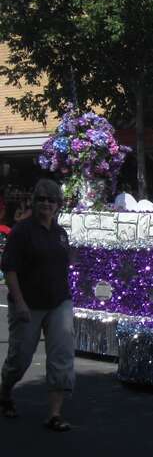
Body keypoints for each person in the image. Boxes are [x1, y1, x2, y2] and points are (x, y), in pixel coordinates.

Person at [0, 179, 75, 431]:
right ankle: (5, 392)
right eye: (41, 198)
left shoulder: (60, 233)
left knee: (61, 356)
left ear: (57, 205)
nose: (45, 203)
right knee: (20, 358)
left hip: (58, 303)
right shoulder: (22, 231)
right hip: (28, 304)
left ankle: (54, 414)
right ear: (34, 201)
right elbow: (10, 269)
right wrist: (19, 303)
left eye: (50, 200)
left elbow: (62, 266)